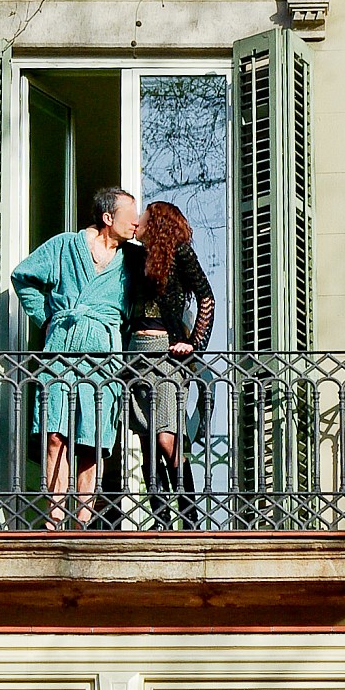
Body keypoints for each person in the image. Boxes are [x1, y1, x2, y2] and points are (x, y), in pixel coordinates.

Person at [11, 186, 139, 530]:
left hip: (104, 357)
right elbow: (23, 277)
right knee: (55, 435)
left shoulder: (132, 260)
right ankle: (55, 519)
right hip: (62, 349)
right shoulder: (64, 246)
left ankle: (82, 522)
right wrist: (46, 317)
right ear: (107, 217)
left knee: (92, 443)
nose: (136, 224)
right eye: (130, 217)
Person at [125, 199, 215, 528]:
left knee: (166, 437)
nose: (138, 223)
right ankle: (161, 517)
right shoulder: (134, 257)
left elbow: (207, 297)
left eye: (144, 218)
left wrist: (194, 344)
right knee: (147, 439)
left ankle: (189, 516)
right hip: (135, 351)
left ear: (159, 223)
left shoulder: (180, 254)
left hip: (166, 352)